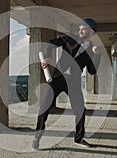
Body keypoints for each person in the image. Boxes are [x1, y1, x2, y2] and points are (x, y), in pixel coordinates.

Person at [32, 18, 101, 150]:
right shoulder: (69, 38)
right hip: (57, 78)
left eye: (84, 28)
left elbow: (92, 71)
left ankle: (79, 139)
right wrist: (47, 56)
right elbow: (50, 42)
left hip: (73, 82)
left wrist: (97, 55)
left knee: (80, 110)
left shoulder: (93, 49)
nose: (80, 30)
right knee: (44, 106)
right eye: (80, 28)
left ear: (91, 31)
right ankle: (37, 137)